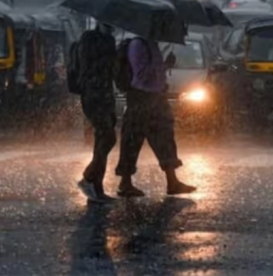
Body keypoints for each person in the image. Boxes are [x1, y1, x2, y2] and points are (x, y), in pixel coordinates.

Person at [115, 37, 196, 197]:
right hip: (141, 98)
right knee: (132, 140)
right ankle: (125, 183)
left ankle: (172, 181)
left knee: (165, 137)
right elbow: (141, 74)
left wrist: (166, 66)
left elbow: (154, 74)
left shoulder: (152, 45)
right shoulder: (137, 45)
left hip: (157, 97)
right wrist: (162, 66)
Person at [76, 22, 118, 203]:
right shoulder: (88, 39)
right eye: (107, 24)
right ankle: (88, 178)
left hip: (106, 94)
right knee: (108, 137)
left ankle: (97, 186)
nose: (111, 27)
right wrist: (111, 56)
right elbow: (91, 65)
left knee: (103, 139)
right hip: (93, 94)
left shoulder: (110, 40)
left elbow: (112, 71)